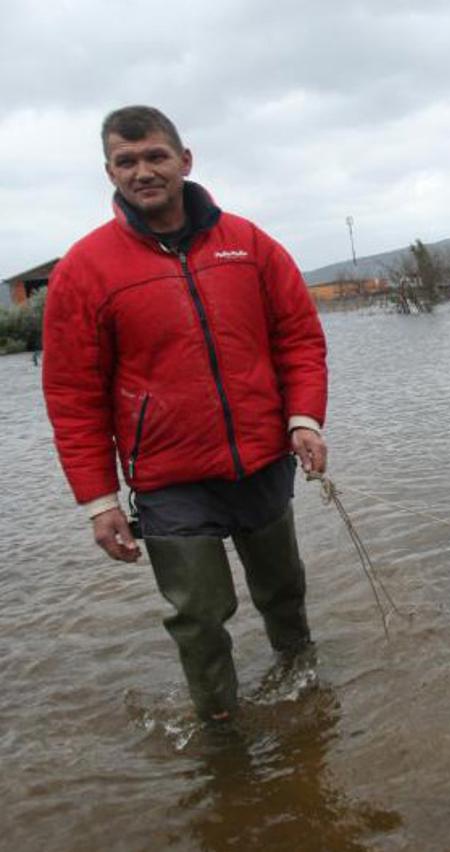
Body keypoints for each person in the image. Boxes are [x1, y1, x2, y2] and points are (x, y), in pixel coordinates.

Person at [41, 106, 328, 723]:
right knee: (198, 616)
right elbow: (72, 395)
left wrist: (303, 419)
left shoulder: (249, 244)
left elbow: (300, 340)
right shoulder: (85, 269)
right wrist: (99, 501)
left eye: (154, 157)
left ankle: (306, 695)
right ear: (110, 171)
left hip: (262, 462)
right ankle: (222, 737)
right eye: (126, 161)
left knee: (284, 593)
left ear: (184, 160)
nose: (142, 171)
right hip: (169, 481)